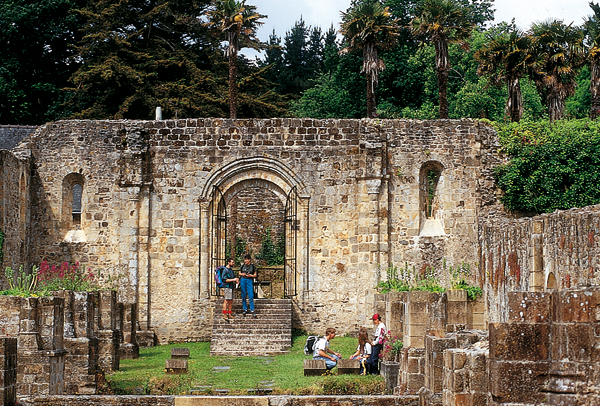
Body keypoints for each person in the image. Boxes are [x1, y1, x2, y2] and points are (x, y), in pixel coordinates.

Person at [221, 258, 239, 322]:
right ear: (228, 262)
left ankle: (229, 313)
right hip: (227, 286)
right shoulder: (225, 270)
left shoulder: (230, 270)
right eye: (232, 262)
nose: (233, 263)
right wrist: (233, 280)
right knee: (226, 301)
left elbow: (232, 277)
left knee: (231, 301)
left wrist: (236, 280)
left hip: (231, 286)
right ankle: (224, 314)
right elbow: (224, 279)